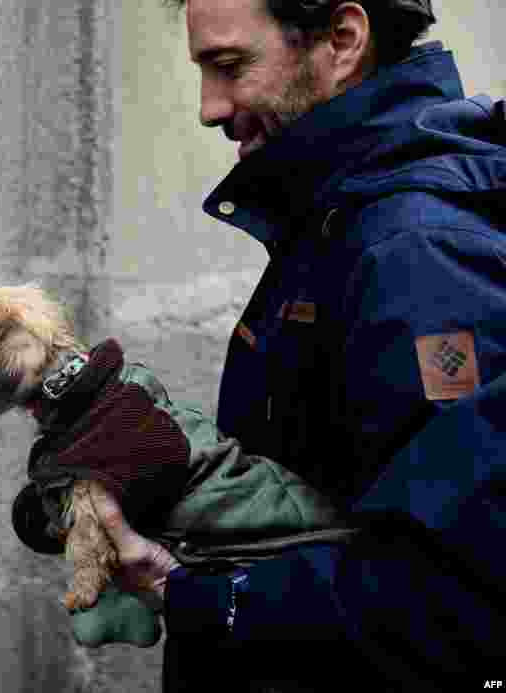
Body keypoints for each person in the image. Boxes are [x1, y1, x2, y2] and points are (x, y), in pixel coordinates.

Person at [80, 0, 506, 690]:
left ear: (342, 40)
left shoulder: (417, 252)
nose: (209, 108)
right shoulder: (345, 215)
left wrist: (198, 596)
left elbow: (453, 597)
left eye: (228, 65)